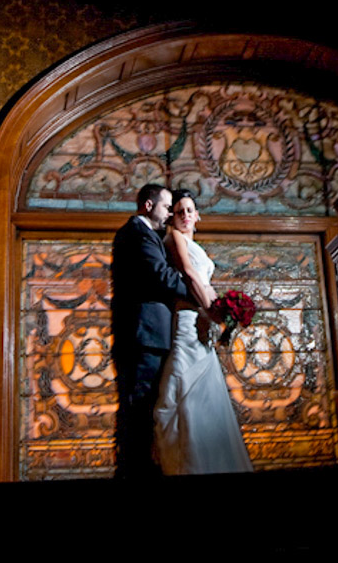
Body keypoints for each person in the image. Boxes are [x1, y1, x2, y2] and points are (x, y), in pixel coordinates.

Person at [110, 183, 216, 478]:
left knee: (149, 409)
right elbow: (161, 275)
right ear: (148, 205)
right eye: (168, 207)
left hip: (154, 336)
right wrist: (205, 297)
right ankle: (135, 472)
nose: (171, 213)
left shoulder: (150, 235)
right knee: (139, 411)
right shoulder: (136, 233)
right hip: (142, 338)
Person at [152, 189, 254, 474]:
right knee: (183, 381)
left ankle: (212, 462)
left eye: (189, 210)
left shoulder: (197, 245)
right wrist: (213, 310)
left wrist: (225, 311)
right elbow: (188, 274)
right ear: (172, 217)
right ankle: (189, 462)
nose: (185, 215)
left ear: (198, 216)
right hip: (187, 318)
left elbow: (204, 281)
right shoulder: (174, 238)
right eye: (179, 211)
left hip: (203, 321)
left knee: (208, 393)